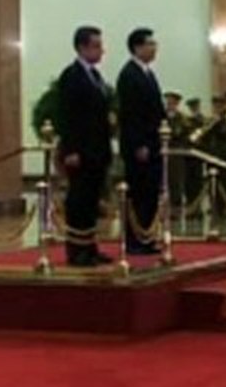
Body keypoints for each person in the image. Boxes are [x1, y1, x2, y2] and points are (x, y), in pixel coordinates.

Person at [55, 25, 114, 267]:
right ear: (82, 48)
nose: (101, 50)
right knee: (78, 201)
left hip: (96, 151)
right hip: (79, 152)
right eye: (96, 45)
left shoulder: (96, 76)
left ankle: (90, 248)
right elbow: (67, 116)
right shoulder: (71, 76)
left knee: (91, 202)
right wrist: (70, 150)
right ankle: (76, 250)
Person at [116, 27, 167, 255]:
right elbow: (131, 115)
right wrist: (139, 144)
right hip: (140, 147)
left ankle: (146, 236)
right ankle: (135, 239)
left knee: (150, 192)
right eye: (150, 44)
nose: (154, 48)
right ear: (137, 47)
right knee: (139, 192)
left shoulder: (147, 73)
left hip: (154, 144)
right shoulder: (129, 75)